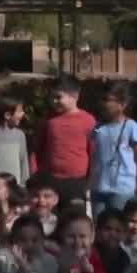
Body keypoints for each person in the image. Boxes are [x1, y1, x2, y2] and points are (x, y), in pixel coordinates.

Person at [90, 81, 137, 218]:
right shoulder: (98, 127)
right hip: (98, 188)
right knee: (100, 228)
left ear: (122, 104)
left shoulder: (134, 129)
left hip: (122, 190)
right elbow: (93, 154)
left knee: (118, 227)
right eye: (102, 99)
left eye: (107, 100)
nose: (102, 103)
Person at [36, 76, 97, 206]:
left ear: (75, 96)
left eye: (58, 97)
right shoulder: (48, 121)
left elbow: (94, 153)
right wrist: (36, 174)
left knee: (74, 220)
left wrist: (90, 182)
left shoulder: (88, 121)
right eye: (52, 97)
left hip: (76, 182)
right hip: (50, 180)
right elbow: (38, 149)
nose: (54, 101)